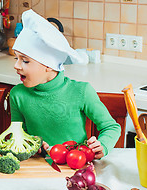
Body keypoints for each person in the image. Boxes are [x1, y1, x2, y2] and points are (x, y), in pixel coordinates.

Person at [10, 10, 121, 159]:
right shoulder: (17, 95)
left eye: (25, 60)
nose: (16, 66)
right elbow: (17, 134)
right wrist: (31, 144)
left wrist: (103, 145)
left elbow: (111, 127)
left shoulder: (81, 91)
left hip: (76, 164)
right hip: (37, 165)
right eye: (16, 58)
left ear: (48, 65)